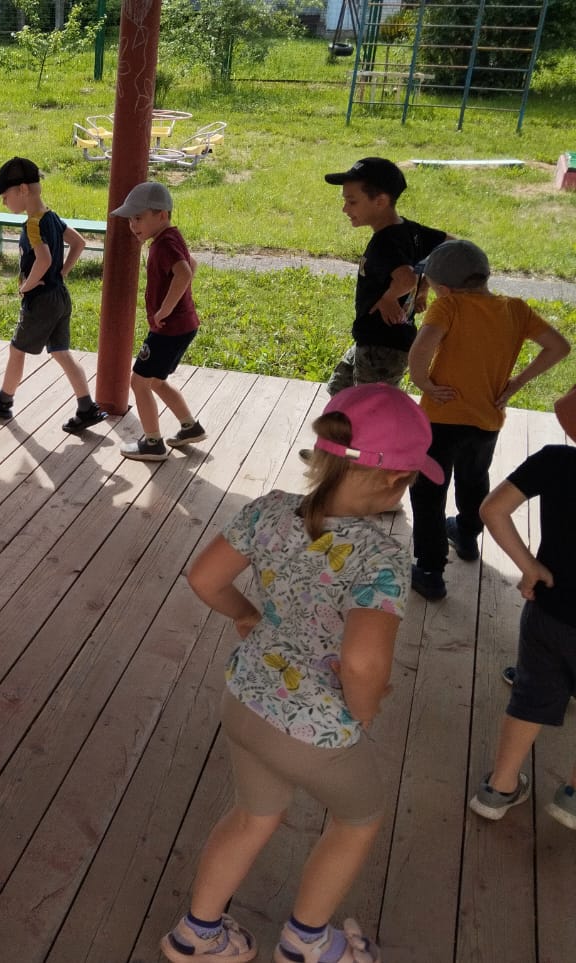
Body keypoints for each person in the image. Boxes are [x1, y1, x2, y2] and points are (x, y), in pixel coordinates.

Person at [161, 383, 443, 963]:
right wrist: (363, 708)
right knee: (357, 819)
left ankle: (198, 934)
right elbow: (363, 661)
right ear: (396, 480)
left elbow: (204, 578)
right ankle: (306, 943)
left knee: (252, 814)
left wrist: (247, 615)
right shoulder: (380, 557)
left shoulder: (268, 509)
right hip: (315, 730)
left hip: (245, 700)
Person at [405, 239, 570, 600]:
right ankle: (466, 535)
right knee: (473, 477)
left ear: (444, 288)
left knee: (428, 489)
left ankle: (430, 570)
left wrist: (423, 383)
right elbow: (559, 347)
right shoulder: (515, 309)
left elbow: (421, 348)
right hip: (487, 419)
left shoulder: (448, 306)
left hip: (441, 418)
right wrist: (516, 383)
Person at [468, 383, 576, 832]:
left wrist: (529, 567)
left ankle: (499, 788)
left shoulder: (556, 461)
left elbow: (492, 510)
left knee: (530, 695)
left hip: (549, 611)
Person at [0, 157, 107, 435]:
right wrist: (62, 273)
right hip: (60, 297)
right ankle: (86, 406)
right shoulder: (52, 218)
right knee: (61, 352)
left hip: (41, 300)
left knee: (16, 349)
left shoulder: (33, 224)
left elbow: (43, 259)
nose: (3, 202)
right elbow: (79, 243)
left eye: (5, 195)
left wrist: (26, 286)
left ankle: (3, 401)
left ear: (22, 190)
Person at [323, 157, 447, 395]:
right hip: (372, 340)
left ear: (380, 201)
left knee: (369, 405)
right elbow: (452, 245)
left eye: (352, 201)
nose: (345, 209)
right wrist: (424, 288)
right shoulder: (410, 230)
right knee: (339, 389)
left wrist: (391, 297)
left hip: (383, 347)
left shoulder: (385, 243)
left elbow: (406, 278)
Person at [111, 181, 207, 462]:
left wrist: (165, 309)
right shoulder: (172, 237)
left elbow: (184, 272)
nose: (133, 225)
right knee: (155, 381)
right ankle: (190, 427)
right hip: (184, 326)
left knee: (139, 382)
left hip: (168, 329)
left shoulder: (163, 245)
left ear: (161, 215)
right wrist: (178, 301)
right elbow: (192, 264)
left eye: (139, 218)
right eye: (130, 219)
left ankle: (153, 443)